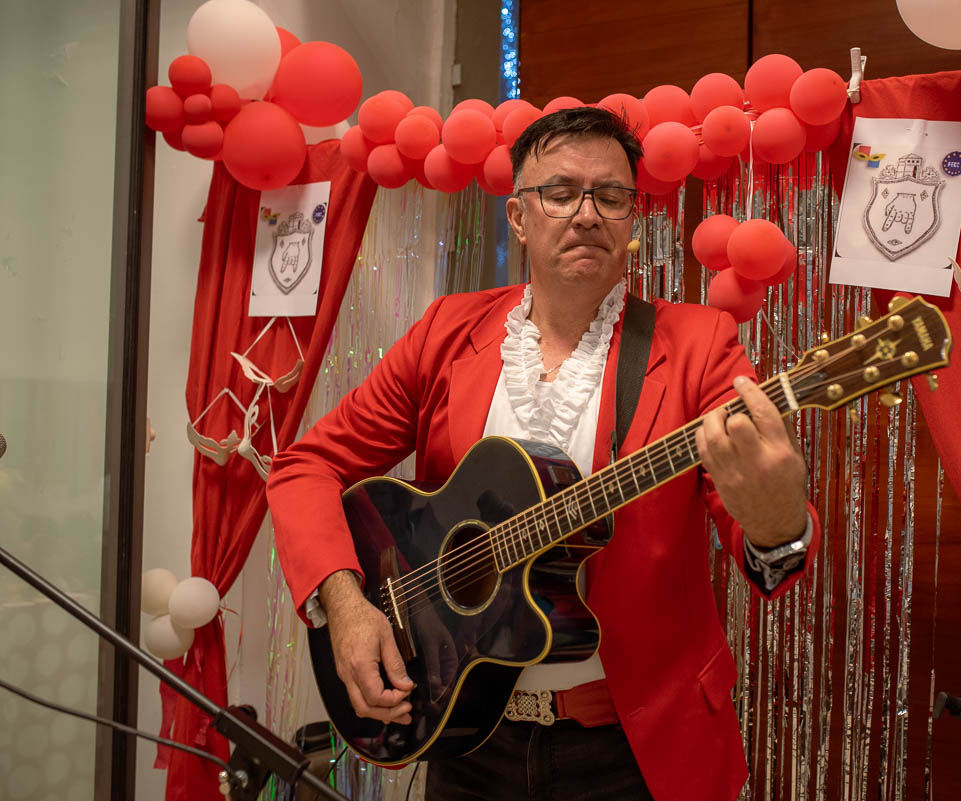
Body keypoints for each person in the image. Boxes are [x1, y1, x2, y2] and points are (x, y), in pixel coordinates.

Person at [267, 106, 820, 801]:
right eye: (560, 193)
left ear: (633, 218)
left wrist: (777, 521)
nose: (586, 214)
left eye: (610, 195)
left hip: (635, 749)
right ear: (519, 217)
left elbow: (765, 551)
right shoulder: (445, 332)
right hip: (465, 732)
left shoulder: (700, 345)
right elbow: (305, 467)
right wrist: (345, 601)